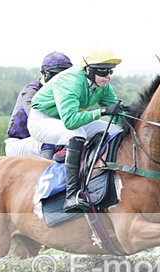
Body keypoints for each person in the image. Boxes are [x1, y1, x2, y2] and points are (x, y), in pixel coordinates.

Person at [28, 45, 125, 212]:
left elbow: (117, 115)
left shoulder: (103, 85)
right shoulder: (71, 81)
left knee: (115, 130)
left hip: (66, 121)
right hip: (42, 120)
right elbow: (71, 122)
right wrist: (102, 111)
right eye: (103, 71)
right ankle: (71, 195)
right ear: (88, 70)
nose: (108, 76)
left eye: (111, 71)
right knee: (76, 132)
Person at [4, 51, 73, 157]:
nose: (61, 80)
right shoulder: (31, 91)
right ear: (45, 74)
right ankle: (49, 173)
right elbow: (40, 123)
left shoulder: (65, 93)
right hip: (18, 143)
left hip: (37, 140)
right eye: (57, 75)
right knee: (49, 140)